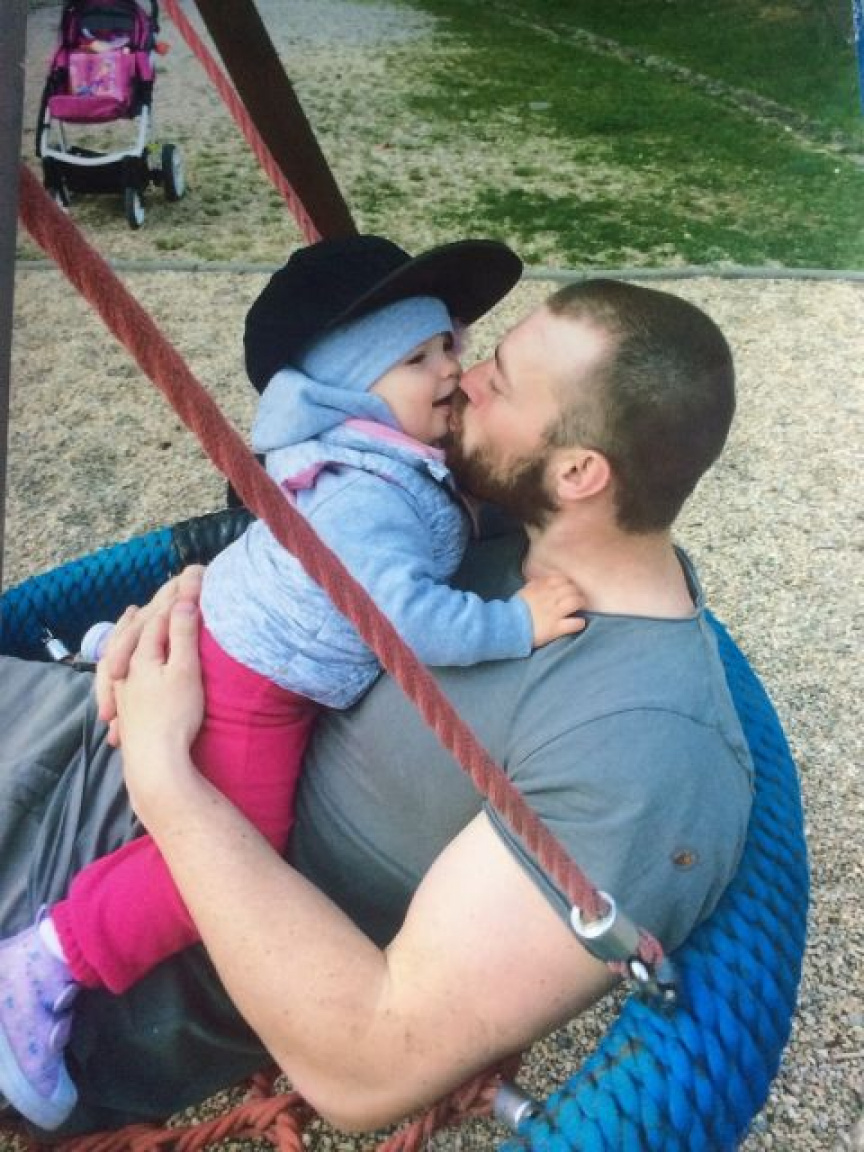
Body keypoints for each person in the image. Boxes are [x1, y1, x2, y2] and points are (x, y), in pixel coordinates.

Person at [0, 276, 753, 1138]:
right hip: (81, 716)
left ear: (579, 471)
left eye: (499, 382)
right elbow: (323, 548)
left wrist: (163, 775)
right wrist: (195, 602)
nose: (463, 377)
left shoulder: (644, 753)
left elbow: (365, 1064)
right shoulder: (502, 522)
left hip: (65, 896)